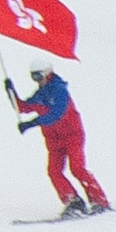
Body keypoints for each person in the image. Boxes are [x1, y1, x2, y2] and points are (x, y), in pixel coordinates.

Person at [8, 63, 109, 216]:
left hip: (72, 136)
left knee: (77, 168)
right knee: (53, 171)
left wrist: (32, 123)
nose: (37, 80)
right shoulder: (40, 94)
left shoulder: (60, 91)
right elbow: (22, 107)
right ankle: (73, 201)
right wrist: (11, 92)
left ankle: (99, 201)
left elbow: (56, 113)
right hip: (54, 140)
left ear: (48, 73)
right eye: (33, 76)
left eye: (39, 76)